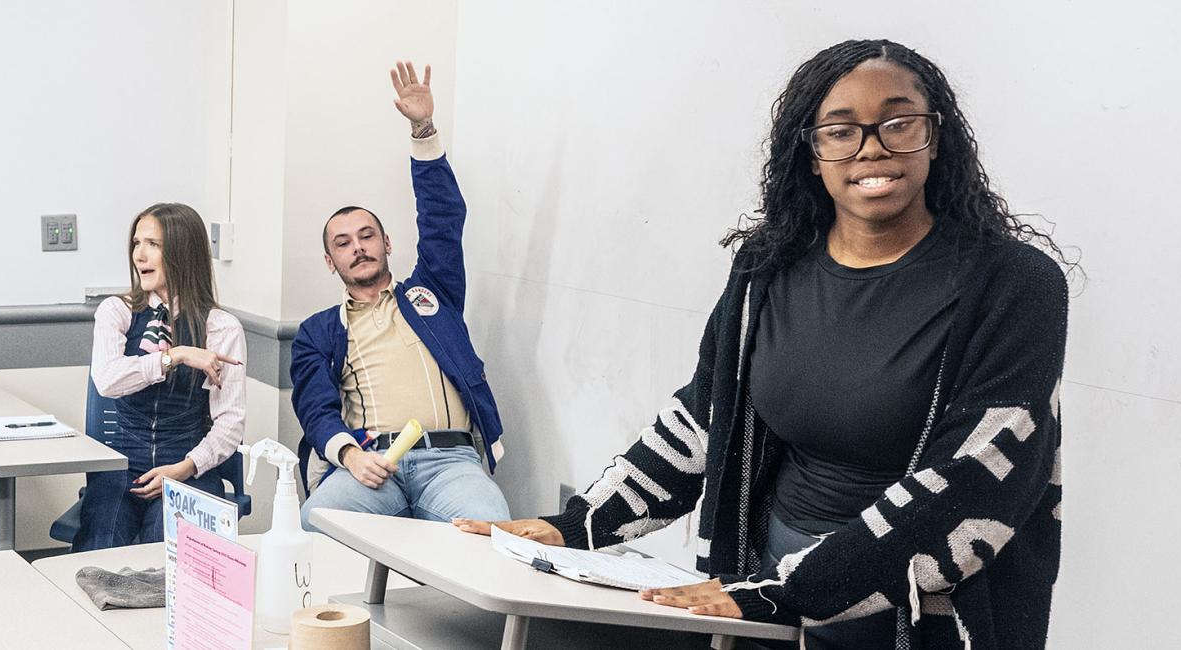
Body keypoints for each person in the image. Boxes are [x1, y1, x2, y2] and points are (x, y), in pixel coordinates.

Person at [455, 39, 1070, 649]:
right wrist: (576, 528)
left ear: (935, 136)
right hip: (762, 577)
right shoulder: (767, 268)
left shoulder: (1016, 284)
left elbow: (978, 479)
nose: (872, 147)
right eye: (840, 130)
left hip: (917, 606)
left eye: (898, 122)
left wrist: (790, 590)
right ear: (811, 152)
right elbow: (704, 419)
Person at [293, 61, 510, 531]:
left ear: (387, 243)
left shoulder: (431, 291)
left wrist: (423, 129)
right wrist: (349, 455)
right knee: (316, 520)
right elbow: (315, 408)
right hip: (373, 461)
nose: (358, 248)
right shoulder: (318, 332)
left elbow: (443, 218)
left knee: (489, 529)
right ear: (331, 262)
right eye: (343, 243)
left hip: (449, 461)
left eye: (367, 235)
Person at [74, 203, 246, 551]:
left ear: (184, 252)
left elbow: (230, 423)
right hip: (122, 470)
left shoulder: (221, 327)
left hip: (187, 470)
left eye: (153, 244)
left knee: (166, 555)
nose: (140, 255)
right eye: (137, 243)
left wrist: (185, 467)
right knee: (98, 549)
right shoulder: (116, 311)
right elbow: (107, 380)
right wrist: (175, 355)